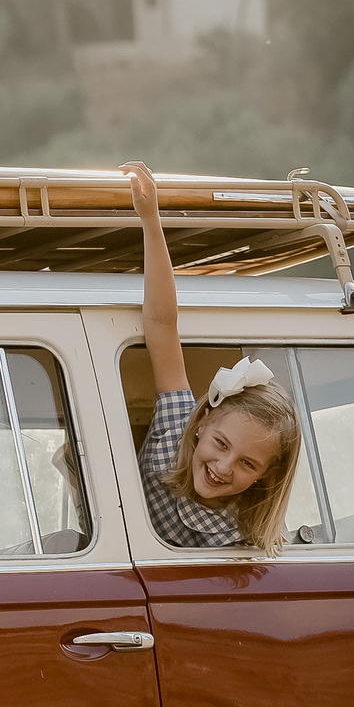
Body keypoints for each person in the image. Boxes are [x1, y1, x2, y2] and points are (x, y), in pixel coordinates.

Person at [124, 160, 303, 551]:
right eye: (221, 444)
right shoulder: (176, 428)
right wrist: (151, 221)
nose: (223, 468)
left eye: (247, 464)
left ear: (266, 476)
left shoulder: (247, 536)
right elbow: (160, 324)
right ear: (201, 423)